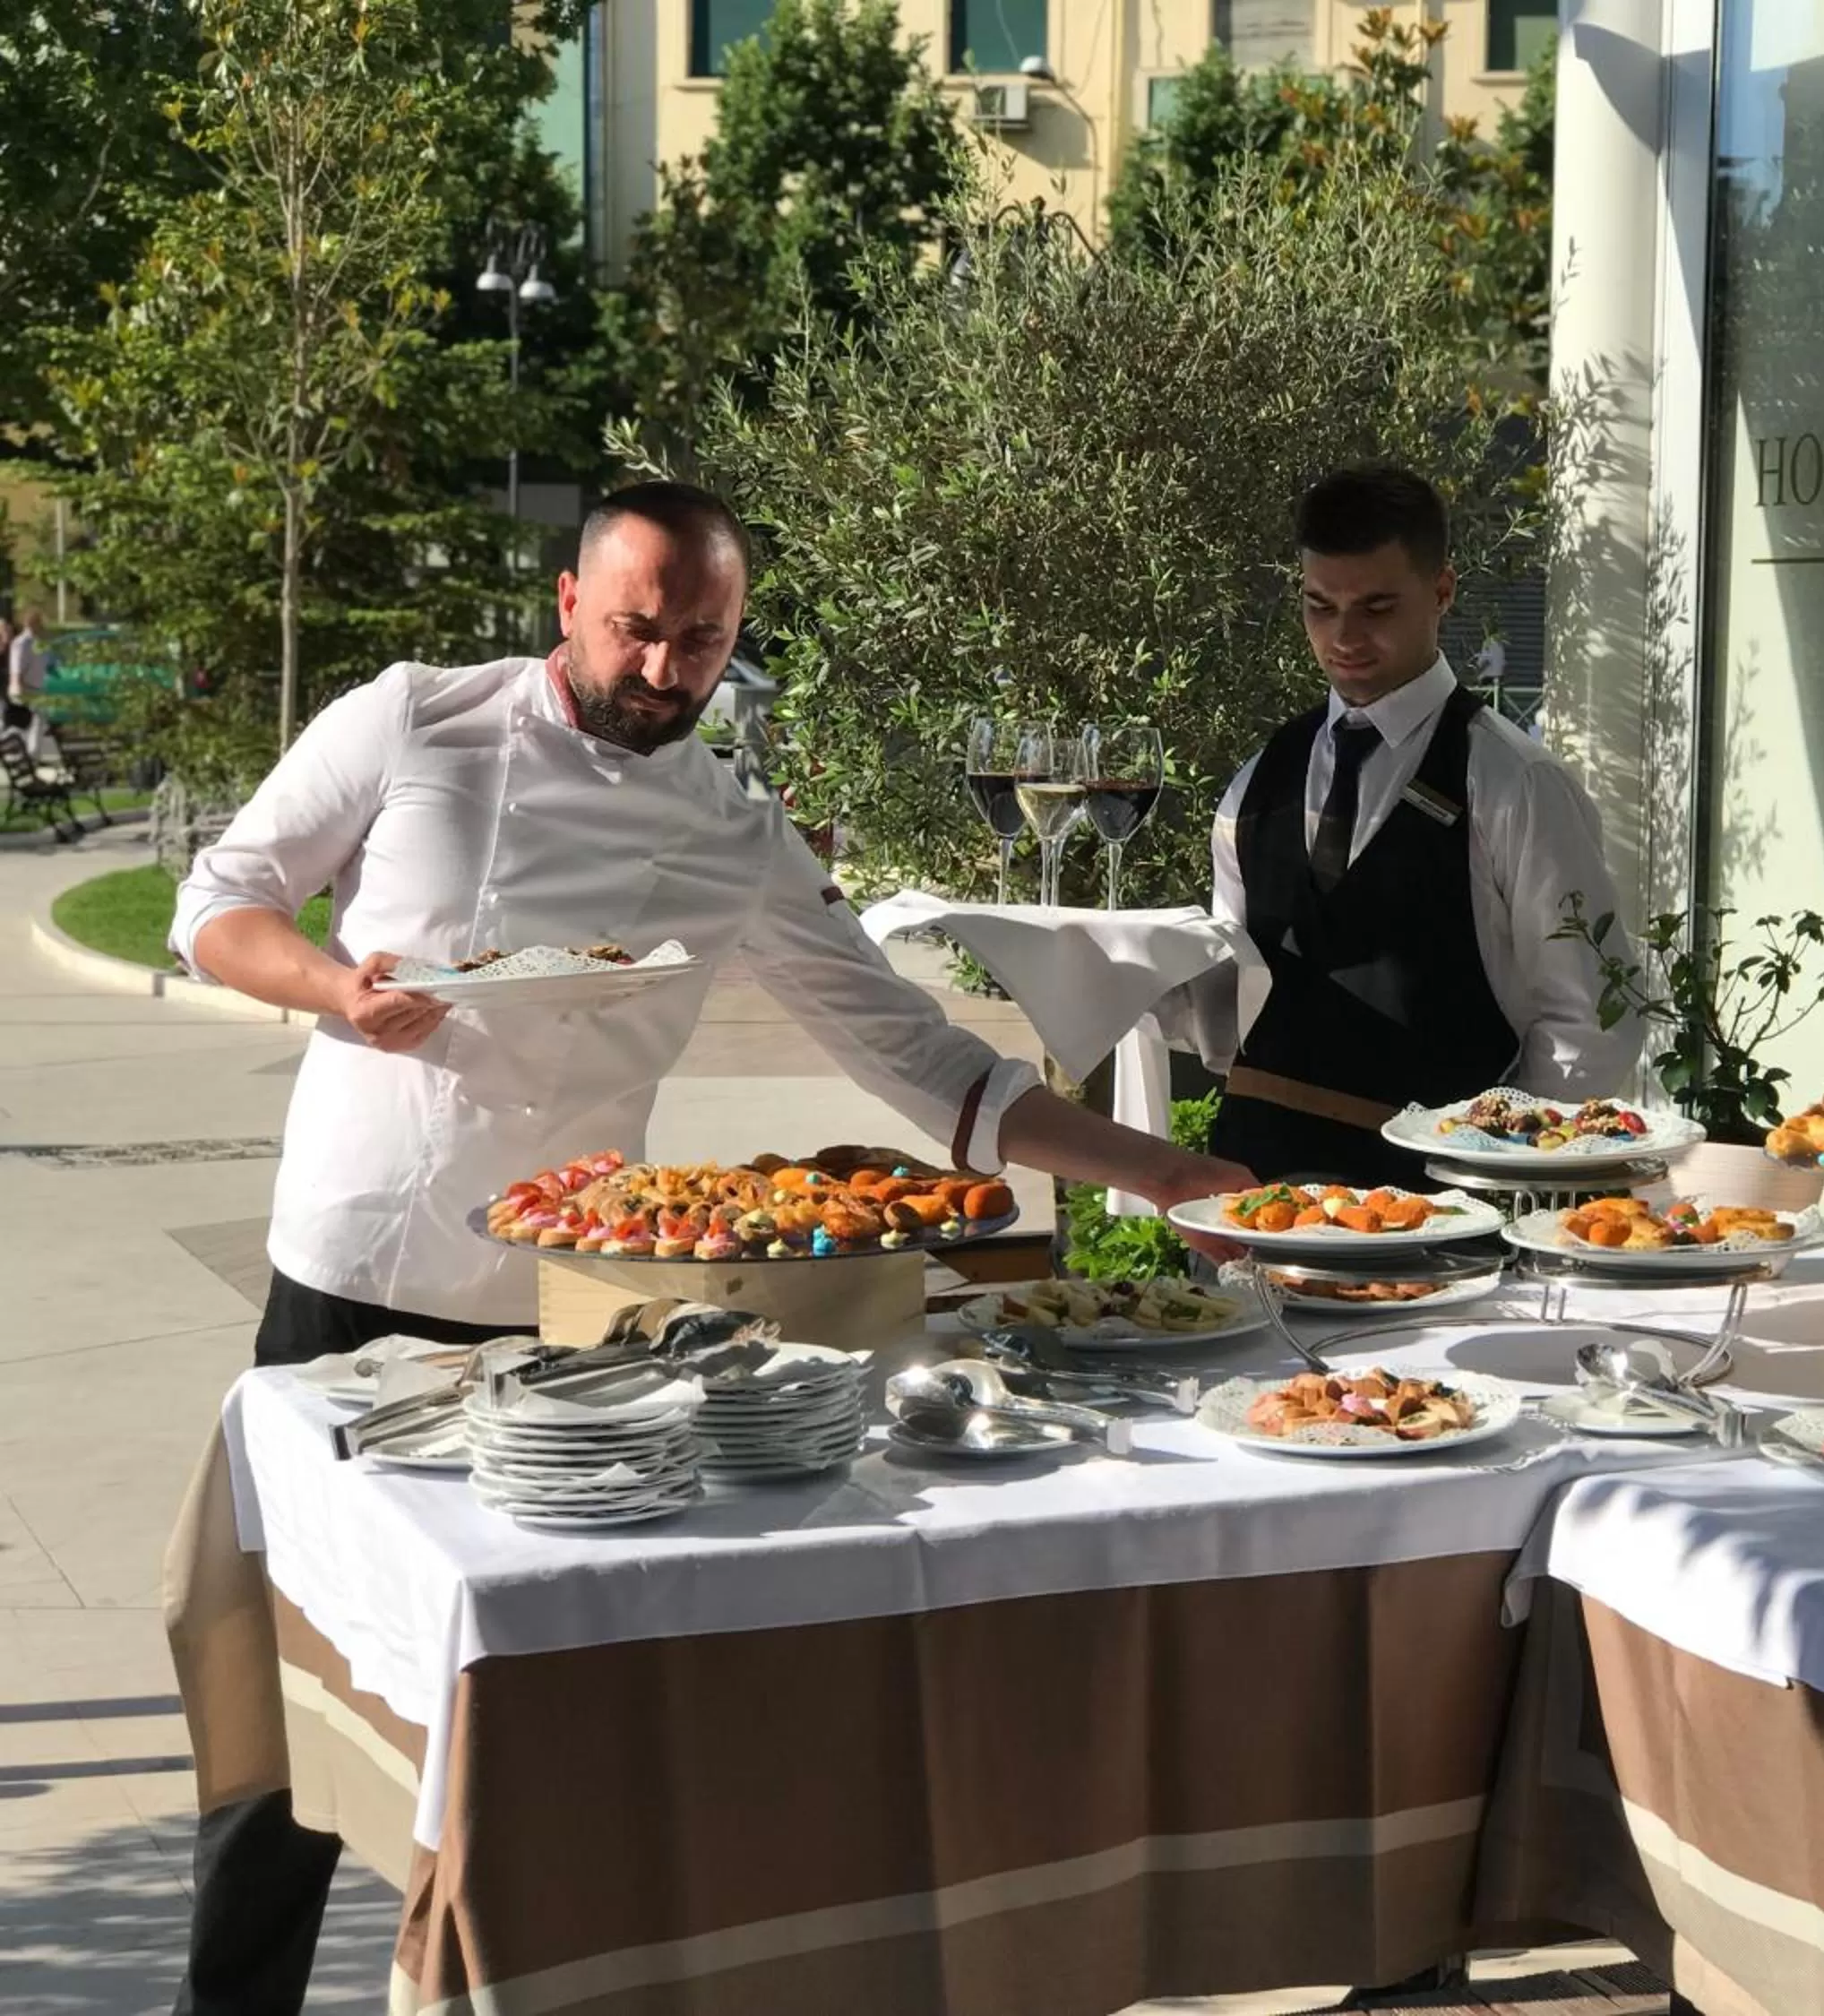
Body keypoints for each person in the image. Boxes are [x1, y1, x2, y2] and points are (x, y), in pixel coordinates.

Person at [167, 481, 1253, 2016]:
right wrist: (339, 992)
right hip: (357, 1265)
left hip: (579, 1307)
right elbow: (220, 902)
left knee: (551, 1712)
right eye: (637, 630)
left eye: (703, 641)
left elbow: (922, 1060)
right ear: (566, 604)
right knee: (294, 1712)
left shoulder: (733, 832)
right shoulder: (416, 719)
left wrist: (1174, 1174)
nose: (666, 671)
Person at [1211, 464, 1641, 1185]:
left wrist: (1497, 1176)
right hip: (1253, 1201)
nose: (1344, 637)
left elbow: (1592, 1019)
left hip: (1436, 1216)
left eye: (1377, 608)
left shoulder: (1516, 783)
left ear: (1442, 591)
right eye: (1321, 606)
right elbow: (1232, 1001)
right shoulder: (1259, 779)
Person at [5, 607, 48, 742]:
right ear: (31, 623)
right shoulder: (22, 643)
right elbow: (17, 667)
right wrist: (19, 687)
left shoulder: (37, 642)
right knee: (34, 720)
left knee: (33, 722)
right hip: (25, 688)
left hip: (34, 688)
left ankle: (27, 752)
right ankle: (30, 753)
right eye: (39, 622)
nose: (41, 625)